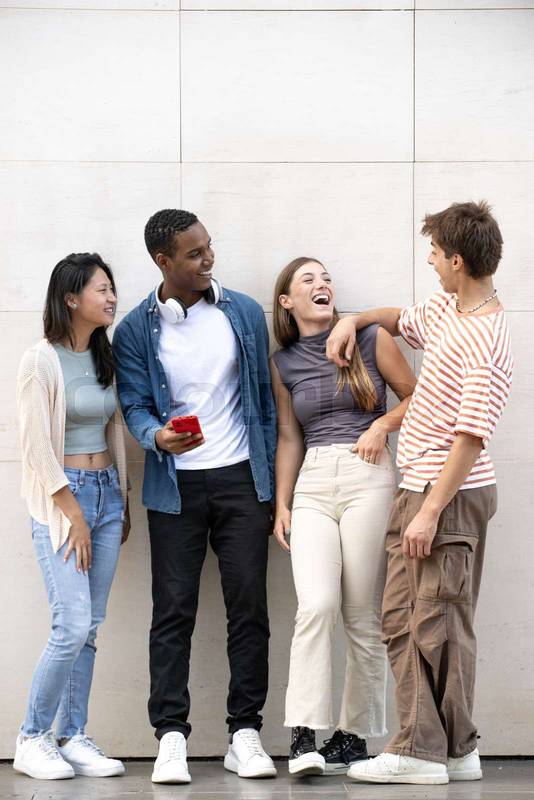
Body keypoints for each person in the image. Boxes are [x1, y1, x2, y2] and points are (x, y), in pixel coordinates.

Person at [327, 201, 513, 785]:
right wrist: (350, 320)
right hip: (424, 485)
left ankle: (419, 749)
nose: (429, 262)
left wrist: (429, 510)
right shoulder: (448, 307)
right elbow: (398, 317)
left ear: (457, 260)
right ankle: (455, 749)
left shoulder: (485, 334)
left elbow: (471, 437)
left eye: (434, 253)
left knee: (427, 622)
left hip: (446, 493)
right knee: (424, 620)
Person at [113, 209, 277, 784]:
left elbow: (265, 399)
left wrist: (276, 486)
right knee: (173, 611)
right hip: (174, 485)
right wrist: (154, 436)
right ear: (163, 261)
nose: (208, 259)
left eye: (209, 247)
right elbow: (133, 403)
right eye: (194, 253)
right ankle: (172, 738)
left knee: (249, 606)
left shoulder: (246, 313)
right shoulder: (134, 329)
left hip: (241, 478)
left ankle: (244, 732)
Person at [270, 257, 417, 776]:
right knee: (317, 604)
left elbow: (417, 398)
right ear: (287, 301)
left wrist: (381, 428)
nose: (322, 284)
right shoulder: (283, 360)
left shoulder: (371, 338)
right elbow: (289, 435)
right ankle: (304, 735)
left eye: (327, 277)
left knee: (360, 613)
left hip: (367, 476)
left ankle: (353, 737)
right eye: (308, 279)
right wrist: (282, 503)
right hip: (312, 479)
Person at [14, 253, 130, 781]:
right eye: (101, 289)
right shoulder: (40, 361)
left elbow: (112, 432)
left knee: (90, 628)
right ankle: (32, 736)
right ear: (70, 298)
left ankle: (72, 734)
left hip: (106, 494)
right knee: (71, 624)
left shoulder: (105, 358)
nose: (110, 298)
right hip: (66, 499)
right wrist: (72, 513)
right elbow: (36, 447)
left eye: (112, 289)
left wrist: (119, 498)